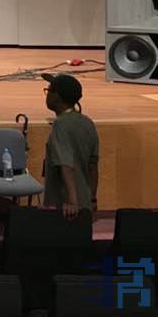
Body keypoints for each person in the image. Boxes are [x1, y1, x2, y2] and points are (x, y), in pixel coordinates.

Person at [42, 73, 99, 220]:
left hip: (65, 208)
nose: (47, 95)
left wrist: (72, 201)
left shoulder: (60, 125)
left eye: (48, 91)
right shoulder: (88, 122)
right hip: (85, 203)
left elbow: (65, 164)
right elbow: (93, 166)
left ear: (56, 97)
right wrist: (92, 199)